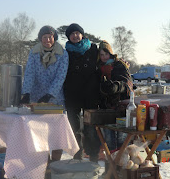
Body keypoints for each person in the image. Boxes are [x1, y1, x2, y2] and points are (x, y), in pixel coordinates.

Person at [20, 25, 69, 161]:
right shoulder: (34, 52)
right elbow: (30, 73)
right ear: (40, 39)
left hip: (55, 98)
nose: (48, 40)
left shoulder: (63, 53)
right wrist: (26, 93)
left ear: (54, 38)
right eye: (45, 37)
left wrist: (49, 94)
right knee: (40, 131)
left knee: (56, 133)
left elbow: (61, 76)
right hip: (37, 98)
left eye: (50, 37)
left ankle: (55, 161)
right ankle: (43, 161)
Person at [63, 23, 101, 162]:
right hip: (72, 94)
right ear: (68, 37)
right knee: (75, 127)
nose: (75, 35)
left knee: (90, 127)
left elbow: (105, 59)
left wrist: (120, 62)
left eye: (77, 33)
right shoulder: (65, 52)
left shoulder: (93, 49)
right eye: (71, 34)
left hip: (90, 93)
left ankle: (93, 154)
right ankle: (77, 153)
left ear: (82, 34)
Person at [98, 40, 133, 151]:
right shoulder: (98, 68)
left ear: (111, 53)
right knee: (109, 138)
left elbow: (127, 84)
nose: (104, 57)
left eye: (106, 54)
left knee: (122, 139)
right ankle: (111, 164)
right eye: (101, 55)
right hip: (106, 108)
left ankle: (122, 163)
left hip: (121, 107)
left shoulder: (119, 65)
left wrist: (115, 87)